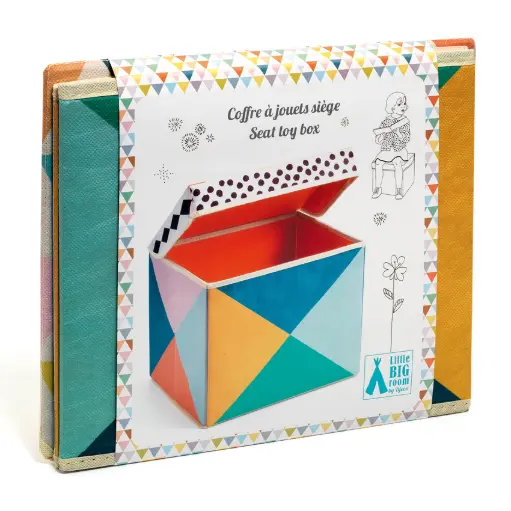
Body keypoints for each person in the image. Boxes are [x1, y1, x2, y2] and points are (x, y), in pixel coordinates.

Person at [372, 92, 410, 200]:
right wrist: (379, 137)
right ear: (392, 107)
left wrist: (398, 133)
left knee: (397, 162)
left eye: (404, 103)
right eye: (399, 104)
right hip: (386, 150)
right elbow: (379, 139)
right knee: (378, 163)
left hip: (399, 149)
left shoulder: (404, 121)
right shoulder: (385, 121)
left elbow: (406, 139)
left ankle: (399, 189)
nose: (403, 106)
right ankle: (378, 188)